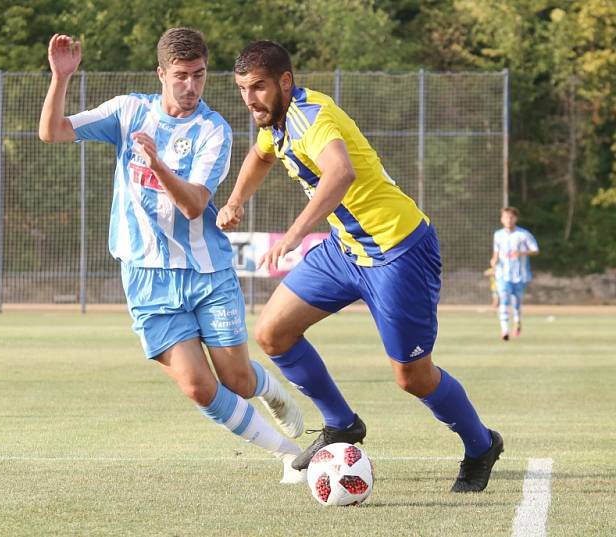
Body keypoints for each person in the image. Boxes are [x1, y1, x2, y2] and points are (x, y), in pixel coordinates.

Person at [217, 40, 503, 492]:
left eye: (258, 87)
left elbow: (341, 172)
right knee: (273, 332)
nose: (250, 99)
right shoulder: (275, 122)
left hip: (399, 252)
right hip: (347, 250)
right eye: (242, 89)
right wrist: (235, 200)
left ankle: (481, 445)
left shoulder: (313, 117)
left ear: (285, 82)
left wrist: (293, 235)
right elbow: (261, 154)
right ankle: (341, 424)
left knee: (413, 377)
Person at [38, 29, 305, 484]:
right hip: (146, 276)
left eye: (199, 75)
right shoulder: (128, 111)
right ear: (162, 74)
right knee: (200, 387)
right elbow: (52, 132)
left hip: (207, 272)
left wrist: (158, 163)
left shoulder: (213, 130)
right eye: (181, 76)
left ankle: (273, 392)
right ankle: (290, 455)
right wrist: (60, 78)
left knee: (237, 381)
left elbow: (194, 205)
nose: (191, 86)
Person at [491, 207, 539, 340]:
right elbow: (496, 252)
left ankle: (517, 322)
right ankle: (505, 330)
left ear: (515, 219)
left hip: (520, 275)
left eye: (511, 217)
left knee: (516, 301)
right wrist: (494, 260)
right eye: (506, 217)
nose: (508, 220)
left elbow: (535, 250)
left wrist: (521, 253)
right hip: (503, 274)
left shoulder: (523, 234)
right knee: (504, 300)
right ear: (502, 219)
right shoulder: (498, 235)